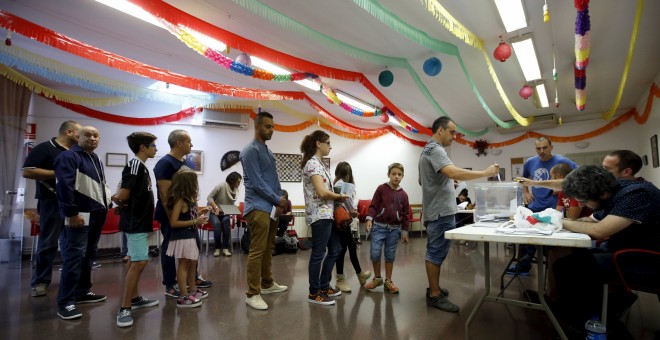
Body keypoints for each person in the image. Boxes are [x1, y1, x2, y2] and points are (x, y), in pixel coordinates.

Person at [553, 166, 660, 329]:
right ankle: (602, 309)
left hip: (649, 261)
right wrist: (552, 220)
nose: (580, 203)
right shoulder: (615, 192)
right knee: (575, 259)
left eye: (583, 199)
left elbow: (599, 231)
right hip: (631, 251)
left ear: (601, 193)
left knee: (568, 267)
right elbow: (591, 221)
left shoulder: (637, 195)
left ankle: (587, 321)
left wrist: (559, 222)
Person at [418, 116, 499, 313]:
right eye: (452, 132)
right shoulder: (436, 149)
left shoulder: (426, 150)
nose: (454, 136)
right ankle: (434, 295)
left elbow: (423, 181)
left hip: (435, 210)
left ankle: (434, 289)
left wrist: (446, 183)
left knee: (436, 251)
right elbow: (454, 172)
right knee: (435, 253)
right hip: (440, 212)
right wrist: (485, 172)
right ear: (440, 131)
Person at [54, 126, 110, 320]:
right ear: (78, 137)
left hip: (97, 214)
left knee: (88, 254)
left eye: (96, 135)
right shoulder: (69, 157)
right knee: (74, 256)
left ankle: (82, 291)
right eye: (88, 135)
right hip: (79, 215)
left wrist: (110, 201)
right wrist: (72, 213)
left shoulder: (95, 158)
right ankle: (66, 302)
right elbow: (64, 187)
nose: (92, 138)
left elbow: (99, 187)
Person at [23, 120, 80, 298]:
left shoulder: (75, 153)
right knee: (48, 243)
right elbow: (27, 171)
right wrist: (58, 172)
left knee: (73, 244)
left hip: (73, 202)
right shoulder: (45, 148)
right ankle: (40, 282)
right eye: (79, 133)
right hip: (51, 202)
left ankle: (72, 281)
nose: (82, 136)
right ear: (69, 132)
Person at [154, 130, 211, 299]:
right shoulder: (165, 163)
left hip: (188, 214)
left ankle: (191, 282)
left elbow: (190, 190)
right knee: (170, 251)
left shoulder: (187, 162)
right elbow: (165, 196)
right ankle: (170, 284)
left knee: (192, 250)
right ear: (179, 143)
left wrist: (195, 211)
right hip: (173, 214)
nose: (191, 145)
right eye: (189, 141)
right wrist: (176, 218)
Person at [507, 137, 577, 276]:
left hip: (554, 206)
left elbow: (578, 176)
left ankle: (552, 268)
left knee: (549, 242)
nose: (541, 151)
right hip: (536, 205)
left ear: (551, 147)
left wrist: (560, 187)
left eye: (545, 147)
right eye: (538, 148)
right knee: (525, 236)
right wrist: (526, 192)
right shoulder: (530, 162)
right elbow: (522, 179)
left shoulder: (563, 161)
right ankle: (523, 266)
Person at [240, 111, 289, 310]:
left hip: (270, 208)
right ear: (257, 126)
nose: (271, 130)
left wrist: (280, 201)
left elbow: (273, 180)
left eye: (273, 127)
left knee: (269, 248)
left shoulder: (267, 151)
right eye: (268, 126)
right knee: (257, 251)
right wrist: (278, 200)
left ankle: (267, 284)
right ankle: (252, 294)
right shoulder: (250, 150)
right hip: (257, 207)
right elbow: (258, 183)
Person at [112, 132, 160, 327]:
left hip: (140, 220)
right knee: (140, 262)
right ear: (142, 147)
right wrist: (116, 199)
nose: (155, 149)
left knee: (133, 260)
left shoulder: (141, 167)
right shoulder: (133, 165)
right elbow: (124, 194)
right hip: (135, 222)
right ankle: (124, 308)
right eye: (153, 145)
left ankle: (134, 298)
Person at [300, 130, 346, 305]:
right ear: (318, 144)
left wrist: (337, 196)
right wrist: (339, 197)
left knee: (335, 249)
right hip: (319, 215)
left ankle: (324, 285)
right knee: (318, 253)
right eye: (328, 142)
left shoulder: (320, 163)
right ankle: (314, 292)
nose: (330, 146)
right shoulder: (313, 163)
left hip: (327, 214)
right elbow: (321, 192)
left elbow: (326, 190)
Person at [166, 170, 211, 308]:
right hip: (182, 236)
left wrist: (200, 213)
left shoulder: (188, 199)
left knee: (192, 264)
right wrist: (195, 222)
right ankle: (183, 297)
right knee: (183, 265)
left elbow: (188, 215)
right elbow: (174, 222)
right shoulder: (180, 200)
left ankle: (192, 290)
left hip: (189, 235)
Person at [363, 162, 410, 294]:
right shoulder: (381, 189)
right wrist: (369, 219)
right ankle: (377, 278)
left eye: (399, 174)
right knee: (375, 253)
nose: (396, 176)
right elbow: (373, 206)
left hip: (394, 230)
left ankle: (388, 281)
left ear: (402, 176)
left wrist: (405, 232)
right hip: (379, 227)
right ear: (388, 175)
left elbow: (406, 215)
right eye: (394, 174)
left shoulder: (403, 195)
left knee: (390, 256)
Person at [332, 161, 371, 292]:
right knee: (343, 249)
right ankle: (340, 280)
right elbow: (347, 200)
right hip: (341, 219)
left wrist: (352, 211)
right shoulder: (341, 184)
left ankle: (359, 275)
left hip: (342, 219)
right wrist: (353, 211)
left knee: (348, 247)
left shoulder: (337, 183)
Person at [207, 171, 242, 257]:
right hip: (213, 212)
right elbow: (209, 197)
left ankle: (225, 249)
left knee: (226, 227)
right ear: (232, 180)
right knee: (218, 226)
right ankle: (217, 249)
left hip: (225, 212)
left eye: (240, 181)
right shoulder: (221, 186)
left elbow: (229, 203)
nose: (239, 183)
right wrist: (216, 207)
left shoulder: (235, 190)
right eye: (238, 181)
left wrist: (234, 211)